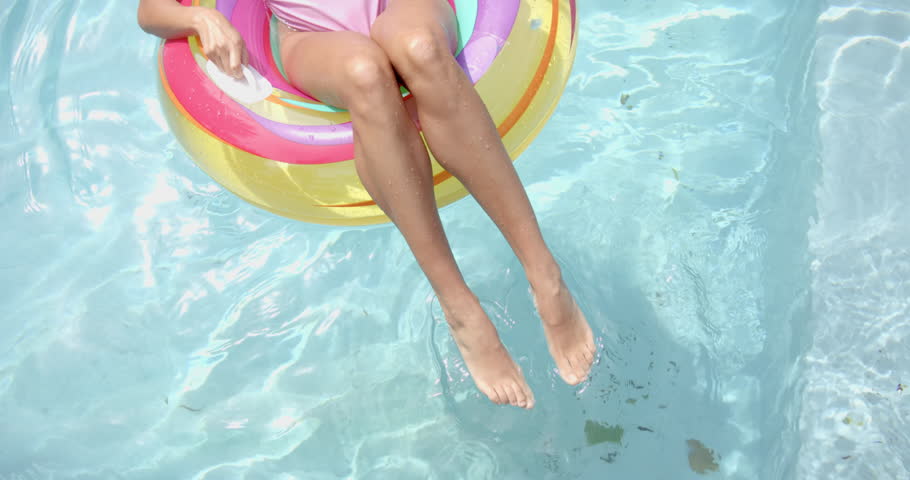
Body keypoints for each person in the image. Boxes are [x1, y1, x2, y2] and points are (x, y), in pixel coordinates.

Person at [138, 0, 595, 409]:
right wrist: (200, 17)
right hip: (313, 39)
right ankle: (460, 308)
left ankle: (546, 278)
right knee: (365, 72)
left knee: (418, 48)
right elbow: (150, 11)